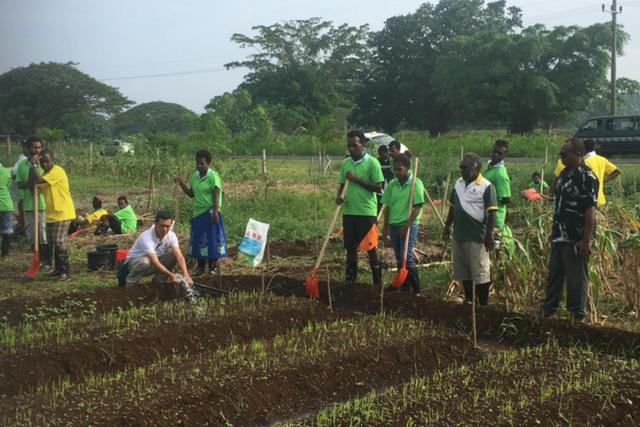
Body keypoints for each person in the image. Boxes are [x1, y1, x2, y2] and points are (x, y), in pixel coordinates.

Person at [541, 138, 597, 322]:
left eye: (564, 153)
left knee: (575, 278)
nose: (561, 156)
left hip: (576, 238)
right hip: (559, 235)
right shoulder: (564, 173)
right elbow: (559, 205)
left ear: (578, 154)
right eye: (560, 153)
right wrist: (554, 230)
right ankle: (548, 311)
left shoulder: (587, 177)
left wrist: (586, 241)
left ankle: (576, 316)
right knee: (554, 275)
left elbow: (590, 213)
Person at [442, 153, 497, 306]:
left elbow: (492, 213)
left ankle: (483, 304)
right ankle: (469, 300)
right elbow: (452, 208)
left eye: (465, 167)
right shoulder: (458, 183)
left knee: (480, 273)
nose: (461, 170)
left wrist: (489, 235)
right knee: (463, 271)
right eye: (461, 167)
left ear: (476, 168)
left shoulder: (486, 187)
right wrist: (447, 226)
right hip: (459, 235)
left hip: (477, 237)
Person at [337, 130, 385, 286]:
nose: (351, 149)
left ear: (362, 145)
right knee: (350, 247)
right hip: (349, 211)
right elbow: (342, 184)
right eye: (349, 146)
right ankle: (351, 278)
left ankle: (377, 280)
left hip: (366, 212)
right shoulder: (346, 163)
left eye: (354, 145)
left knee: (371, 247)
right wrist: (339, 197)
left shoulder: (372, 163)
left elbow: (379, 187)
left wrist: (356, 179)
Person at [175, 149, 227, 276]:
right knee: (199, 240)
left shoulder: (213, 176)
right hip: (198, 213)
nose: (199, 166)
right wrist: (181, 182)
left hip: (210, 213)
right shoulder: (195, 176)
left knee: (212, 239)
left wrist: (215, 212)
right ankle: (200, 267)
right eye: (197, 163)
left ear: (208, 163)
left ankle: (213, 267)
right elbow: (191, 194)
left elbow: (216, 195)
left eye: (202, 164)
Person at [27, 148, 76, 281]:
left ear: (52, 160)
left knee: (59, 241)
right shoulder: (45, 174)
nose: (44, 164)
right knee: (52, 242)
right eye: (42, 162)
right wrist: (33, 169)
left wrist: (33, 165)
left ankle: (65, 272)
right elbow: (32, 186)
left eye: (47, 161)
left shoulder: (57, 172)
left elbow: (37, 180)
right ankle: (58, 270)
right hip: (52, 213)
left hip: (62, 212)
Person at [381, 154, 425, 294]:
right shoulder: (393, 184)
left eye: (400, 169)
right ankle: (405, 287)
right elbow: (387, 207)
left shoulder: (415, 183)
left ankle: (416, 290)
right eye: (395, 169)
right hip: (394, 224)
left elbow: (418, 207)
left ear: (407, 168)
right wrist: (385, 228)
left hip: (409, 224)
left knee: (407, 256)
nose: (397, 172)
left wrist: (407, 226)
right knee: (399, 257)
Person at [124, 210, 193, 286]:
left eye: (167, 226)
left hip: (152, 262)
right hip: (135, 263)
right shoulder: (146, 237)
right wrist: (171, 275)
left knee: (173, 255)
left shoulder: (171, 236)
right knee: (145, 262)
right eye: (162, 226)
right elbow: (154, 261)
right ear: (155, 224)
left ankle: (159, 282)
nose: (164, 229)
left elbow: (179, 256)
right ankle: (130, 284)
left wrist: (186, 275)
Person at [16, 137, 51, 270]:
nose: (36, 150)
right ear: (28, 148)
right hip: (29, 205)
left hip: (42, 204)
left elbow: (44, 181)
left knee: (43, 235)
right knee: (32, 235)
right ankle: (36, 260)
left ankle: (45, 261)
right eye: (34, 147)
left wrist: (35, 172)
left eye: (39, 147)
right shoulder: (21, 165)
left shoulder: (45, 164)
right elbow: (20, 184)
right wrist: (31, 181)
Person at [554, 139, 620, 207]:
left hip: (583, 203)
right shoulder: (602, 159)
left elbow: (558, 179)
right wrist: (603, 180)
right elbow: (616, 171)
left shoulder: (582, 162)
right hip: (600, 200)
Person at [483, 140, 511, 230]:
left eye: (500, 153)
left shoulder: (500, 174)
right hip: (485, 215)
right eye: (494, 151)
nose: (496, 155)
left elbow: (506, 199)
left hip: (494, 218)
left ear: (504, 156)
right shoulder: (489, 168)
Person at [0, 165, 13, 257]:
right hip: (6, 204)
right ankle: (5, 253)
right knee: (7, 230)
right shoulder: (6, 171)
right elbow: (8, 186)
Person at [377, 144, 394, 213]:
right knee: (378, 207)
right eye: (379, 154)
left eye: (382, 154)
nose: (380, 156)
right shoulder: (377, 161)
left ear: (387, 153)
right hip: (380, 187)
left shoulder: (391, 161)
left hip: (390, 185)